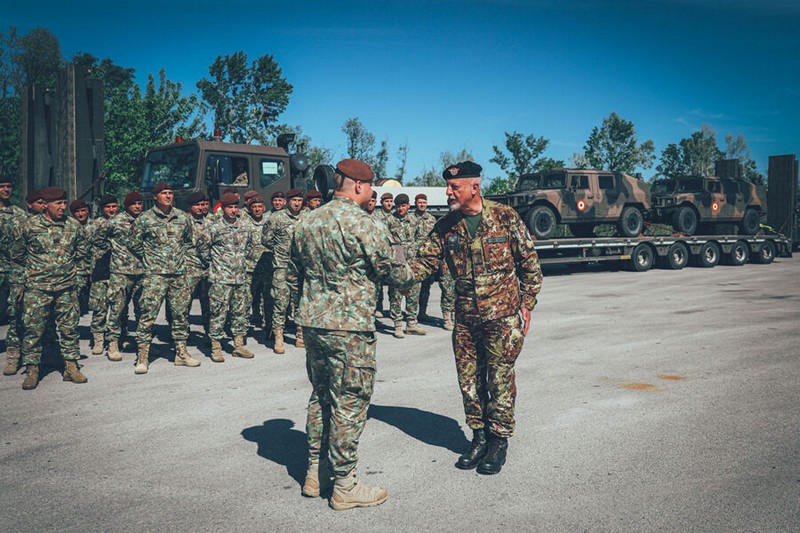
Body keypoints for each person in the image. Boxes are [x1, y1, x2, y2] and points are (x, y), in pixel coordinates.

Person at [287, 158, 413, 510]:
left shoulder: (306, 221)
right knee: (351, 402)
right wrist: (408, 270)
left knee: (321, 395)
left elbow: (293, 273)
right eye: (371, 185)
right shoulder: (365, 224)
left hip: (314, 322)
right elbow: (395, 273)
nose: (372, 192)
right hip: (350, 327)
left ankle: (315, 472)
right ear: (358, 185)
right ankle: (345, 484)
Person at [409, 161, 543, 475]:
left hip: (501, 316)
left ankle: (498, 440)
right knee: (469, 381)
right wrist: (391, 273)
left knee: (499, 379)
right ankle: (479, 436)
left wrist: (527, 303)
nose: (448, 192)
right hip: (466, 319)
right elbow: (423, 262)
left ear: (475, 187)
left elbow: (529, 262)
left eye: (454, 187)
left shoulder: (505, 217)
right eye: (448, 186)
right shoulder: (446, 226)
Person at [12, 187, 90, 389]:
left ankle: (71, 367)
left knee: (69, 329)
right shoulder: (29, 226)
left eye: (64, 203)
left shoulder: (73, 225)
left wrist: (75, 277)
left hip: (66, 287)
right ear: (45, 205)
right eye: (58, 203)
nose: (63, 207)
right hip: (38, 288)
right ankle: (32, 369)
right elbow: (18, 254)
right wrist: (35, 272)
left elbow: (82, 252)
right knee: (33, 330)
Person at [132, 182, 199, 374]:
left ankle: (181, 353)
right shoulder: (145, 218)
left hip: (178, 275)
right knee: (147, 315)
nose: (168, 196)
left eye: (170, 193)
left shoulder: (182, 217)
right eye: (164, 193)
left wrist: (180, 260)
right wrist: (150, 259)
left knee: (180, 314)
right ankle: (142, 356)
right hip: (155, 275)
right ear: (155, 196)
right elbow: (133, 243)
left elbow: (188, 242)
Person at [204, 192, 255, 362]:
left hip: (240, 277)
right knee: (218, 312)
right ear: (223, 209)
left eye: (235, 207)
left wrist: (240, 261)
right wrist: (217, 263)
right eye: (229, 207)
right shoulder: (215, 227)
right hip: (221, 278)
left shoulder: (244, 226)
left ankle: (238, 345)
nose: (233, 210)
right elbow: (202, 249)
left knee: (240, 312)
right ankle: (216, 347)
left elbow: (249, 246)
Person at [262, 188, 304, 353]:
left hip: (300, 267)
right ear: (288, 201)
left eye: (299, 200)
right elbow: (266, 239)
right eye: (294, 200)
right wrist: (280, 250)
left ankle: (300, 335)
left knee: (300, 301)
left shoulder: (307, 217)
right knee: (280, 301)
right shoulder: (276, 218)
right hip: (281, 266)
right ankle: (278, 337)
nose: (297, 203)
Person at [105, 192, 144, 362]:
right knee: (117, 308)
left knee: (142, 309)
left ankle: (142, 344)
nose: (137, 206)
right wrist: (113, 249)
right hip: (121, 271)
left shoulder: (145, 220)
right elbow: (96, 237)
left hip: (142, 271)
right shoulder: (116, 221)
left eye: (139, 203)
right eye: (134, 204)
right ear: (127, 206)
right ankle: (113, 343)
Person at [386, 193, 426, 338]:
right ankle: (397, 324)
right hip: (397, 264)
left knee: (413, 294)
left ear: (408, 206)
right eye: (398, 206)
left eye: (403, 206)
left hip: (412, 263)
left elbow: (420, 239)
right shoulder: (390, 220)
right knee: (396, 294)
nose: (401, 208)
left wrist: (419, 258)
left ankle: (411, 323)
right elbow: (386, 241)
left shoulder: (415, 220)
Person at [0, 175, 29, 376]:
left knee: (15, 313)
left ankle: (14, 355)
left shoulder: (19, 214)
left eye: (8, 186)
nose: (6, 190)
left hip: (13, 272)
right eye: (1, 186)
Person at [87, 195, 119, 356]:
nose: (111, 210)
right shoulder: (96, 224)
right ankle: (98, 339)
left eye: (114, 206)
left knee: (118, 308)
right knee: (99, 307)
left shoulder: (121, 222)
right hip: (100, 271)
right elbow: (89, 240)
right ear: (102, 209)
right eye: (108, 207)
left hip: (118, 271)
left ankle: (117, 338)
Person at [184, 191, 211, 338]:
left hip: (207, 268)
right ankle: (183, 333)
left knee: (208, 303)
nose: (201, 208)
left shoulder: (209, 222)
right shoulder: (184, 222)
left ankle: (209, 333)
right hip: (189, 268)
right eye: (197, 205)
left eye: (202, 205)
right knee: (184, 303)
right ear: (190, 206)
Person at [411, 193, 440, 325]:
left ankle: (422, 313)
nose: (422, 205)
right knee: (414, 289)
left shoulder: (432, 219)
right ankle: (411, 316)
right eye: (419, 202)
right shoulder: (410, 218)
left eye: (424, 202)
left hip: (427, 259)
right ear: (415, 203)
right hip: (414, 258)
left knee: (426, 287)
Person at [242, 193, 270, 329]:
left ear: (264, 208)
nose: (257, 209)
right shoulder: (244, 223)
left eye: (259, 206)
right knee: (247, 297)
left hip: (266, 266)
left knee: (267, 297)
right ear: (250, 209)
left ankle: (267, 324)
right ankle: (244, 326)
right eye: (254, 207)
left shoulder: (269, 222)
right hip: (250, 267)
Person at [70, 199, 93, 316]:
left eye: (83, 210)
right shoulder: (70, 227)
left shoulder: (95, 226)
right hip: (77, 268)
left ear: (87, 211)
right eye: (77, 212)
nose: (80, 214)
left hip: (94, 267)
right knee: (74, 296)